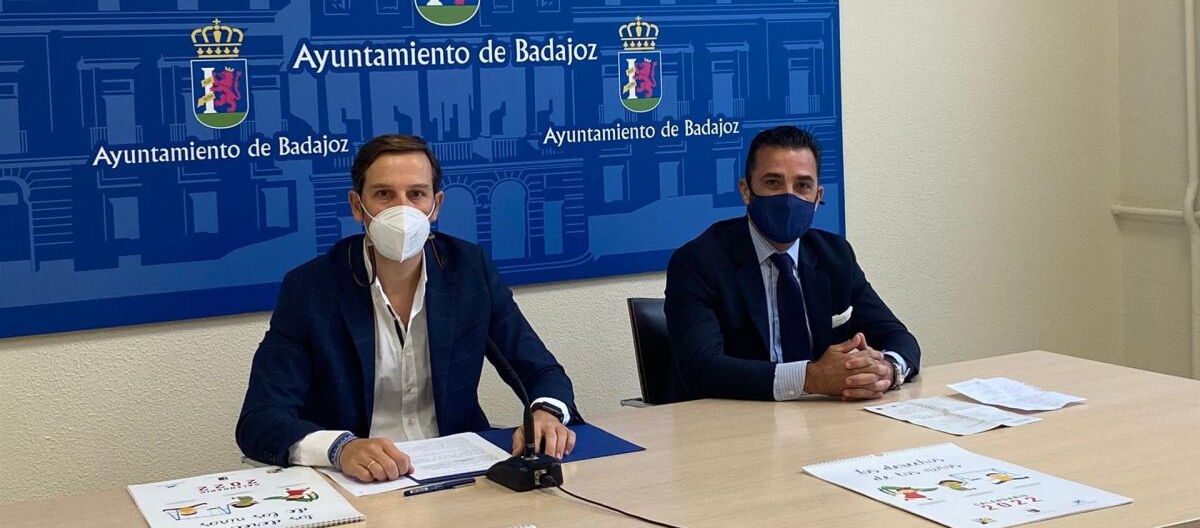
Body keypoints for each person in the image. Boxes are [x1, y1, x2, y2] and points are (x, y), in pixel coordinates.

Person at [237, 135, 579, 482]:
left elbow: (542, 372)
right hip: (359, 478)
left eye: (416, 194)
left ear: (436, 205)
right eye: (384, 194)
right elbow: (260, 420)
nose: (402, 210)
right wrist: (340, 448)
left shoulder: (469, 271)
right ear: (357, 206)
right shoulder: (311, 288)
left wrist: (545, 413)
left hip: (457, 471)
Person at [664, 126, 920, 402]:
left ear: (817, 197)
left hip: (820, 417)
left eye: (802, 186)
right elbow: (701, 368)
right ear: (746, 191)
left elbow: (898, 337)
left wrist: (887, 369)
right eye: (773, 183)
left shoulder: (835, 255)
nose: (788, 198)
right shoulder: (698, 262)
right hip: (733, 418)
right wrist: (810, 378)